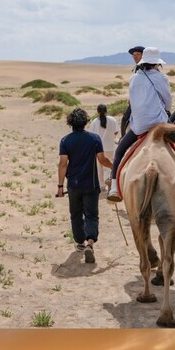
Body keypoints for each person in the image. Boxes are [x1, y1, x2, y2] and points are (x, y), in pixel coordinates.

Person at [107, 47, 175, 203]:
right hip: (159, 123)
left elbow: (133, 102)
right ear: (157, 63)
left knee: (120, 150)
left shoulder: (134, 78)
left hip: (139, 126)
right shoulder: (161, 77)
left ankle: (115, 187)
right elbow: (168, 101)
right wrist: (163, 110)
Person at [57, 108, 113, 263]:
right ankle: (90, 242)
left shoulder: (65, 140)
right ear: (85, 122)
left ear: (70, 123)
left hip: (73, 185)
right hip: (91, 184)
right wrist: (113, 167)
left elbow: (62, 164)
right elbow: (102, 159)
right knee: (92, 215)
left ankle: (80, 242)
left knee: (75, 214)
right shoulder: (94, 139)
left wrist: (60, 186)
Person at [89, 104, 119, 189]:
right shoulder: (112, 120)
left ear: (97, 112)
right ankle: (110, 180)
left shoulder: (94, 122)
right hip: (110, 146)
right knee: (109, 164)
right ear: (106, 111)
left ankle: (102, 185)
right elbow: (116, 132)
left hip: (98, 148)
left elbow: (91, 135)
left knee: (100, 167)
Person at [120, 45, 145, 136]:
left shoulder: (141, 67)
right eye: (134, 55)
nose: (135, 56)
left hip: (138, 101)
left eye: (138, 54)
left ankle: (122, 138)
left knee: (124, 119)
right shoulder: (139, 67)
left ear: (143, 55)